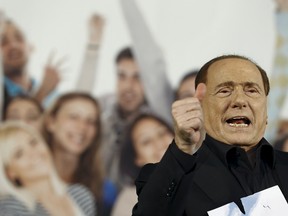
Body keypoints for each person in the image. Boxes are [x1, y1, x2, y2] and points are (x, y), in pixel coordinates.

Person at [132, 54, 288, 216]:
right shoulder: (172, 178)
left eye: (251, 90)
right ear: (200, 107)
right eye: (225, 91)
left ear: (266, 110)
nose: (240, 100)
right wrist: (183, 148)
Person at [43, 92, 117, 216]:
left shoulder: (105, 191)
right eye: (73, 117)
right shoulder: (23, 176)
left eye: (91, 121)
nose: (82, 127)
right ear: (51, 122)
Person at [0, 121, 95, 215]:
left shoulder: (80, 195)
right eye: (19, 154)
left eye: (33, 143)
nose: (33, 153)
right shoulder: (11, 209)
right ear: (10, 172)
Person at [111, 113, 174, 216]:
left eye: (162, 133)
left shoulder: (204, 175)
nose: (159, 143)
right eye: (146, 141)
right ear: (137, 158)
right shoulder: (130, 202)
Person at [0, 17, 63, 107]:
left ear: (31, 47)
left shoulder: (53, 96)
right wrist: (41, 93)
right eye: (3, 42)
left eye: (19, 38)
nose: (13, 45)